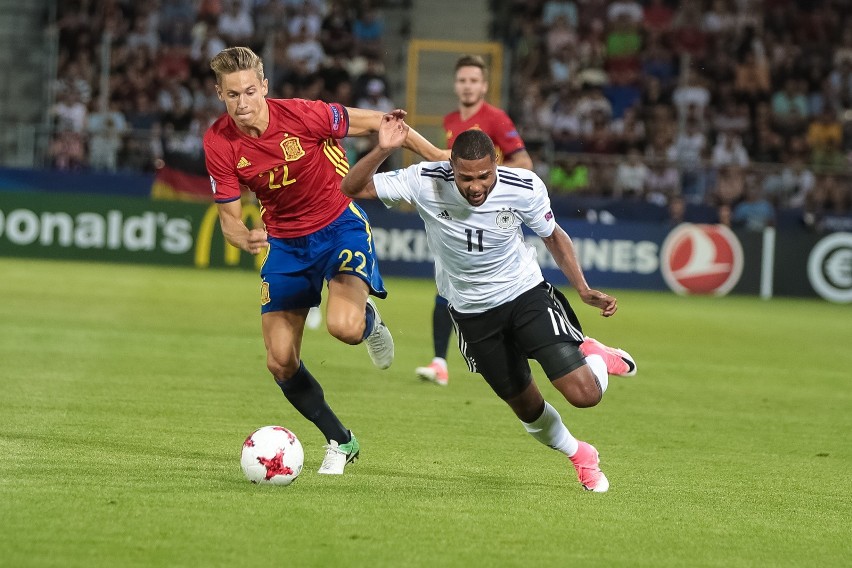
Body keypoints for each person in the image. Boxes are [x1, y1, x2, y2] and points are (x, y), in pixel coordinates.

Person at [341, 116, 637, 493]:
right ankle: (581, 455)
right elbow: (351, 188)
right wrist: (384, 148)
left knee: (584, 395)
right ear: (452, 168)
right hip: (471, 314)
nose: (476, 186)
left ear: (496, 162)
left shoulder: (523, 186)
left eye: (484, 176)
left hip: (524, 295)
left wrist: (582, 288)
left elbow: (554, 237)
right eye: (466, 178)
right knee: (528, 409)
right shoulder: (425, 179)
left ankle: (596, 356)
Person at [203, 47, 446, 475]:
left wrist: (441, 158)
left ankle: (369, 322)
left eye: (249, 92)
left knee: (344, 329)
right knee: (279, 360)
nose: (242, 104)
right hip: (285, 245)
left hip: (338, 228)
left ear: (264, 87)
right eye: (232, 95)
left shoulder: (303, 114)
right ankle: (341, 440)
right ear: (219, 94)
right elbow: (228, 220)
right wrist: (243, 237)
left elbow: (389, 125)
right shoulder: (218, 141)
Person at [416, 54, 534, 387]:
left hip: (492, 219)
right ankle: (440, 361)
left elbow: (525, 162)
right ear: (456, 84)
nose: (467, 86)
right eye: (462, 80)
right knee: (446, 286)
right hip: (459, 218)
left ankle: (528, 350)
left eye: (473, 81)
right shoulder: (451, 119)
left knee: (495, 291)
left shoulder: (495, 118)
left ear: (483, 85)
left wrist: (491, 182)